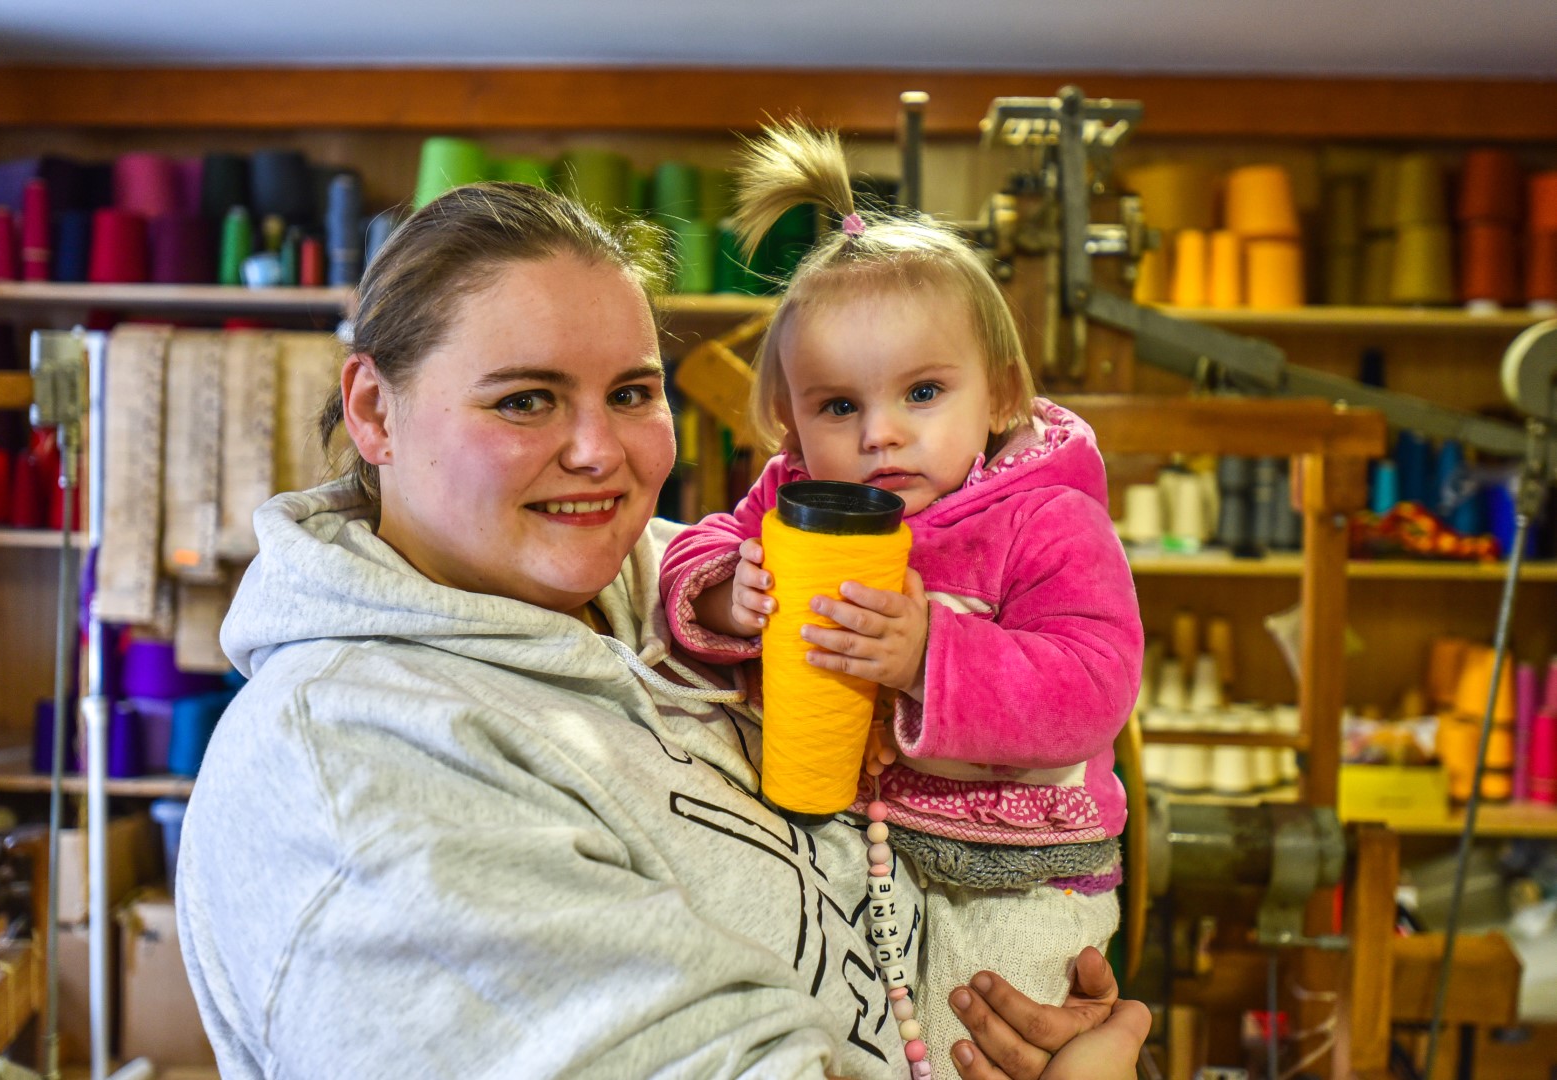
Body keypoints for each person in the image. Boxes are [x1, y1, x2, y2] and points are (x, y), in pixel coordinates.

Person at [176, 180, 1147, 1079]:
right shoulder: (355, 781)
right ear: (373, 411)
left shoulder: (642, 575)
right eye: (525, 400)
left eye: (632, 393)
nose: (597, 453)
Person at [660, 126, 1143, 1077]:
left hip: (1016, 876)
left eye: (922, 392)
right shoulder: (792, 500)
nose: (880, 434)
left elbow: (1094, 683)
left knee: (982, 1052)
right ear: (790, 420)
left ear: (1000, 395)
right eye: (839, 406)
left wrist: (931, 656)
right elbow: (700, 548)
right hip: (842, 844)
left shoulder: (1044, 520)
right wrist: (723, 597)